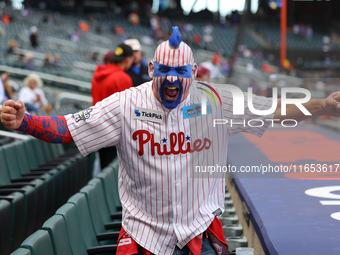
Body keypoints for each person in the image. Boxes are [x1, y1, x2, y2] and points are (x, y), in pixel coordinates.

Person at [2, 27, 340, 254]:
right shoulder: (125, 104)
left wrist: (323, 106)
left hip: (200, 232)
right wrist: (25, 121)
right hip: (143, 236)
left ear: (193, 73)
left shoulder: (216, 101)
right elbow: (68, 128)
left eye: (181, 72)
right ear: (151, 68)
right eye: (164, 70)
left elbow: (277, 111)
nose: (172, 78)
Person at [91, 43, 133, 169]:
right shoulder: (123, 78)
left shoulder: (98, 74)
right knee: (112, 171)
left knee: (103, 167)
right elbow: (126, 111)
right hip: (114, 132)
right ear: (127, 59)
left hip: (98, 128)